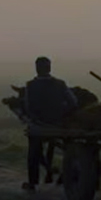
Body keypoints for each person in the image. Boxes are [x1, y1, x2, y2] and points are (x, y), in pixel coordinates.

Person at [22, 56, 77, 192]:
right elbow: (73, 102)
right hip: (59, 123)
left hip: (39, 124)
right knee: (68, 148)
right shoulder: (60, 84)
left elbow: (28, 107)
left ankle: (33, 182)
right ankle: (66, 175)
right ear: (49, 68)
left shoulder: (30, 85)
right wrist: (63, 112)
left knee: (33, 151)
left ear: (36, 69)